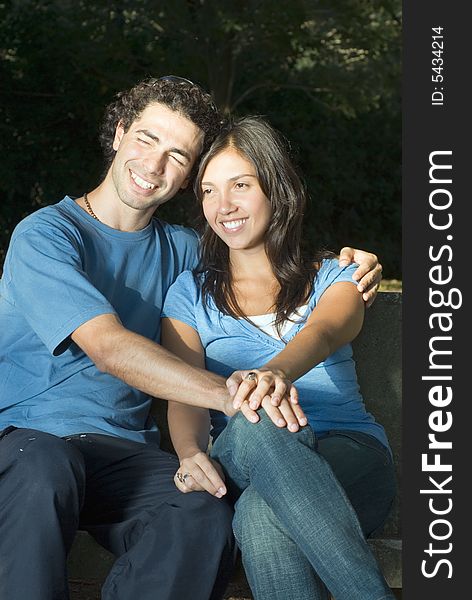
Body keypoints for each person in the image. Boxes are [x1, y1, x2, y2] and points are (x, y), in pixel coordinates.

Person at [0, 76, 383, 600]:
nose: (154, 165)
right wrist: (241, 394)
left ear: (185, 181)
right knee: (47, 465)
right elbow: (109, 348)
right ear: (118, 135)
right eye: (146, 139)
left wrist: (353, 263)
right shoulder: (47, 235)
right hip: (25, 443)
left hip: (122, 453)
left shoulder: (184, 256)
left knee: (204, 508)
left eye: (178, 157)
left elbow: (259, 255)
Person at [161, 116, 396, 600]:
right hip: (245, 452)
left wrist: (276, 373)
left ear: (278, 188)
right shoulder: (189, 294)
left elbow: (329, 329)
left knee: (259, 516)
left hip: (351, 457)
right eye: (208, 191)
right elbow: (182, 390)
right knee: (254, 420)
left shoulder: (335, 276)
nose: (222, 206)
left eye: (240, 185)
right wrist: (189, 454)